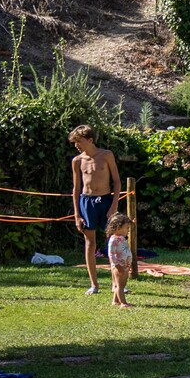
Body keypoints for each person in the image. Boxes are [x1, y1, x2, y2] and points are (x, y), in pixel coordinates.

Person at [68, 123, 121, 296]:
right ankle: (94, 284)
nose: (76, 145)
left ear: (90, 140)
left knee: (112, 241)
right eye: (75, 142)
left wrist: (114, 205)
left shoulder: (106, 155)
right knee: (90, 243)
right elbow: (76, 189)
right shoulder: (77, 161)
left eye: (79, 141)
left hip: (105, 200)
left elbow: (117, 182)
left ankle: (116, 284)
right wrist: (77, 214)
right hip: (87, 202)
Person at [104, 210, 136, 308]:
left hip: (124, 265)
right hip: (119, 266)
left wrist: (132, 222)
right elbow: (111, 254)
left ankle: (115, 301)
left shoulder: (121, 237)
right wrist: (117, 265)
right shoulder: (113, 240)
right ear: (118, 228)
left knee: (121, 284)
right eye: (126, 228)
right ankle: (123, 303)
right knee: (120, 285)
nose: (128, 231)